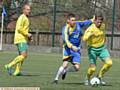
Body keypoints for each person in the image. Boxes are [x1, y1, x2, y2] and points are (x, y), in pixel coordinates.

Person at [53, 13, 93, 84]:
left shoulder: (77, 24)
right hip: (67, 49)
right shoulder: (65, 28)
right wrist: (72, 46)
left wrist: (93, 20)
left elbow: (85, 22)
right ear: (68, 20)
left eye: (74, 20)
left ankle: (65, 71)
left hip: (76, 49)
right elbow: (66, 40)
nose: (74, 21)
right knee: (65, 64)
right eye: (72, 20)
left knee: (77, 68)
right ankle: (56, 79)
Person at [83, 13, 112, 85]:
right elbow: (84, 38)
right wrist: (89, 35)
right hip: (92, 49)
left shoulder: (103, 26)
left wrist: (104, 40)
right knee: (93, 69)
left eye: (100, 22)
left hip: (102, 48)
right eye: (98, 22)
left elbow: (103, 34)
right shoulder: (90, 29)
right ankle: (87, 78)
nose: (99, 23)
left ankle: (99, 76)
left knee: (109, 63)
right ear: (94, 21)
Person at [5, 4, 32, 76]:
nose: (29, 11)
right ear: (24, 10)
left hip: (23, 39)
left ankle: (17, 71)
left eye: (29, 9)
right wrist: (27, 34)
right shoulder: (22, 17)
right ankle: (9, 65)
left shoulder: (26, 18)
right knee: (24, 55)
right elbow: (19, 28)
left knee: (21, 56)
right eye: (27, 9)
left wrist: (28, 37)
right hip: (20, 39)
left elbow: (23, 29)